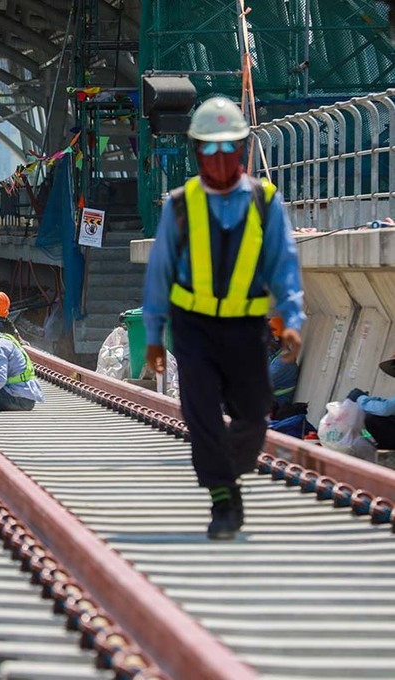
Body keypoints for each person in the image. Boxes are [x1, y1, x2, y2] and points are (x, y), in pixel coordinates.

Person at [142, 97, 304, 541]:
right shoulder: (180, 204)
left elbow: (283, 264)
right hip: (193, 327)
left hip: (246, 328)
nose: (219, 158)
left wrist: (291, 318)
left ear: (243, 149)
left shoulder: (264, 201)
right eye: (209, 150)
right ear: (197, 152)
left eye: (228, 148)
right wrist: (154, 337)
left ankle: (228, 470)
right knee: (201, 414)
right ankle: (222, 499)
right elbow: (159, 274)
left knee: (254, 415)